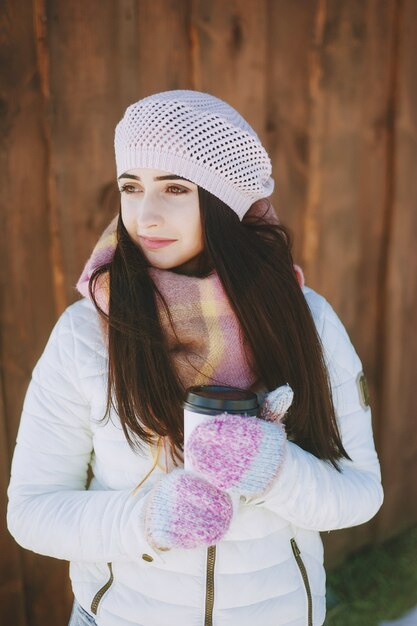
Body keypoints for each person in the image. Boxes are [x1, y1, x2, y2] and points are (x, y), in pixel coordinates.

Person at [7, 90, 383, 626]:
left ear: (224, 199)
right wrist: (148, 520)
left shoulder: (307, 320)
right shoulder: (86, 334)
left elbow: (360, 492)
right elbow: (32, 511)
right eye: (130, 187)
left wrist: (275, 471)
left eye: (175, 187)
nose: (146, 214)